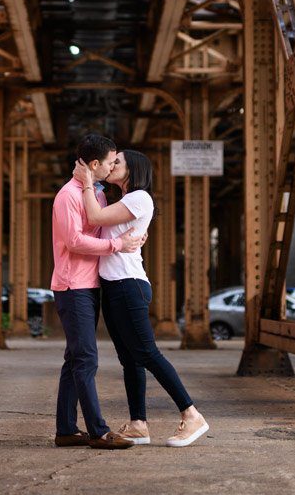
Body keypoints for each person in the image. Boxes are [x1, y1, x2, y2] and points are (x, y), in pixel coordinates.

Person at [73, 149, 210, 448]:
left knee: (147, 353)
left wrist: (85, 180)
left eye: (117, 162)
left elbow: (94, 217)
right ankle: (138, 424)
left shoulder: (139, 198)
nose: (111, 166)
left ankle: (191, 413)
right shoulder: (121, 200)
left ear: (133, 170)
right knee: (129, 359)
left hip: (129, 284)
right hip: (113, 285)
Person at [51, 133, 147, 450]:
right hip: (72, 286)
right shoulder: (68, 196)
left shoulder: (98, 195)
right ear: (95, 164)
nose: (112, 166)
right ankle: (98, 431)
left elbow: (103, 225)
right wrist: (117, 244)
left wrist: (130, 240)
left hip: (90, 285)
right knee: (87, 359)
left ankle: (66, 430)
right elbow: (75, 241)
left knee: (74, 359)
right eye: (109, 162)